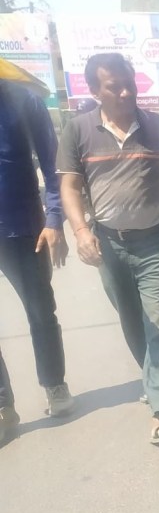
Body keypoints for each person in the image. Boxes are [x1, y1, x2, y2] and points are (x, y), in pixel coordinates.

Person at [57, 53, 159, 446]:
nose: (125, 92)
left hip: (158, 241)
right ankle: (154, 377)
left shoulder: (156, 126)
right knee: (132, 319)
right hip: (110, 243)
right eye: (114, 87)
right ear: (95, 91)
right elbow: (69, 186)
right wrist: (81, 231)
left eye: (129, 84)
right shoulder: (78, 130)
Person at [0, 79, 75, 442]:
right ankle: (3, 405)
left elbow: (52, 164)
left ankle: (54, 383)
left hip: (23, 227)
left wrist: (55, 218)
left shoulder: (22, 100)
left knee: (41, 311)